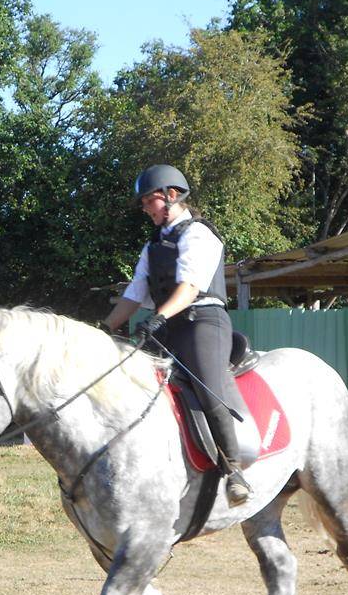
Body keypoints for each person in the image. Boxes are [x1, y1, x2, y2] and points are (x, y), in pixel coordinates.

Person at [102, 164, 252, 506]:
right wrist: (105, 327)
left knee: (206, 385)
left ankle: (233, 470)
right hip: (166, 324)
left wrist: (158, 317)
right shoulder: (153, 245)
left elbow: (189, 287)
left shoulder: (199, 234)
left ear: (171, 196)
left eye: (147, 201)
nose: (144, 208)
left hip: (203, 321)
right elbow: (133, 294)